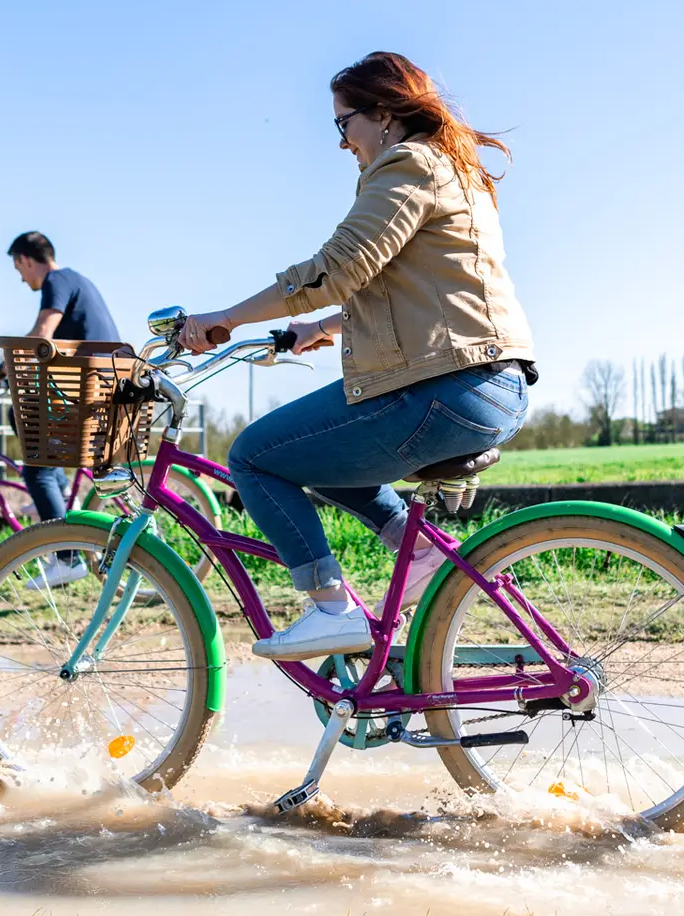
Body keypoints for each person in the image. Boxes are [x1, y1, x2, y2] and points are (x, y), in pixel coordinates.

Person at [178, 52, 536, 661]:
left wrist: (225, 317)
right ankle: (420, 558)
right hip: (485, 382)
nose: (342, 142)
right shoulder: (451, 170)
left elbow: (336, 269)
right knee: (317, 449)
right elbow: (414, 288)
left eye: (344, 123)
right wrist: (319, 327)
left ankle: (330, 609)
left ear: (385, 114)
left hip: (449, 387)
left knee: (255, 456)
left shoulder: (408, 165)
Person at [0, 231, 121, 586]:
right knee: (25, 419)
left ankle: (66, 559)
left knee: (31, 441)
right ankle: (49, 498)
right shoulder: (78, 280)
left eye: (17, 268)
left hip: (89, 392)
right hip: (107, 387)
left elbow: (42, 333)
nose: (21, 278)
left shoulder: (56, 279)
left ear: (25, 259)